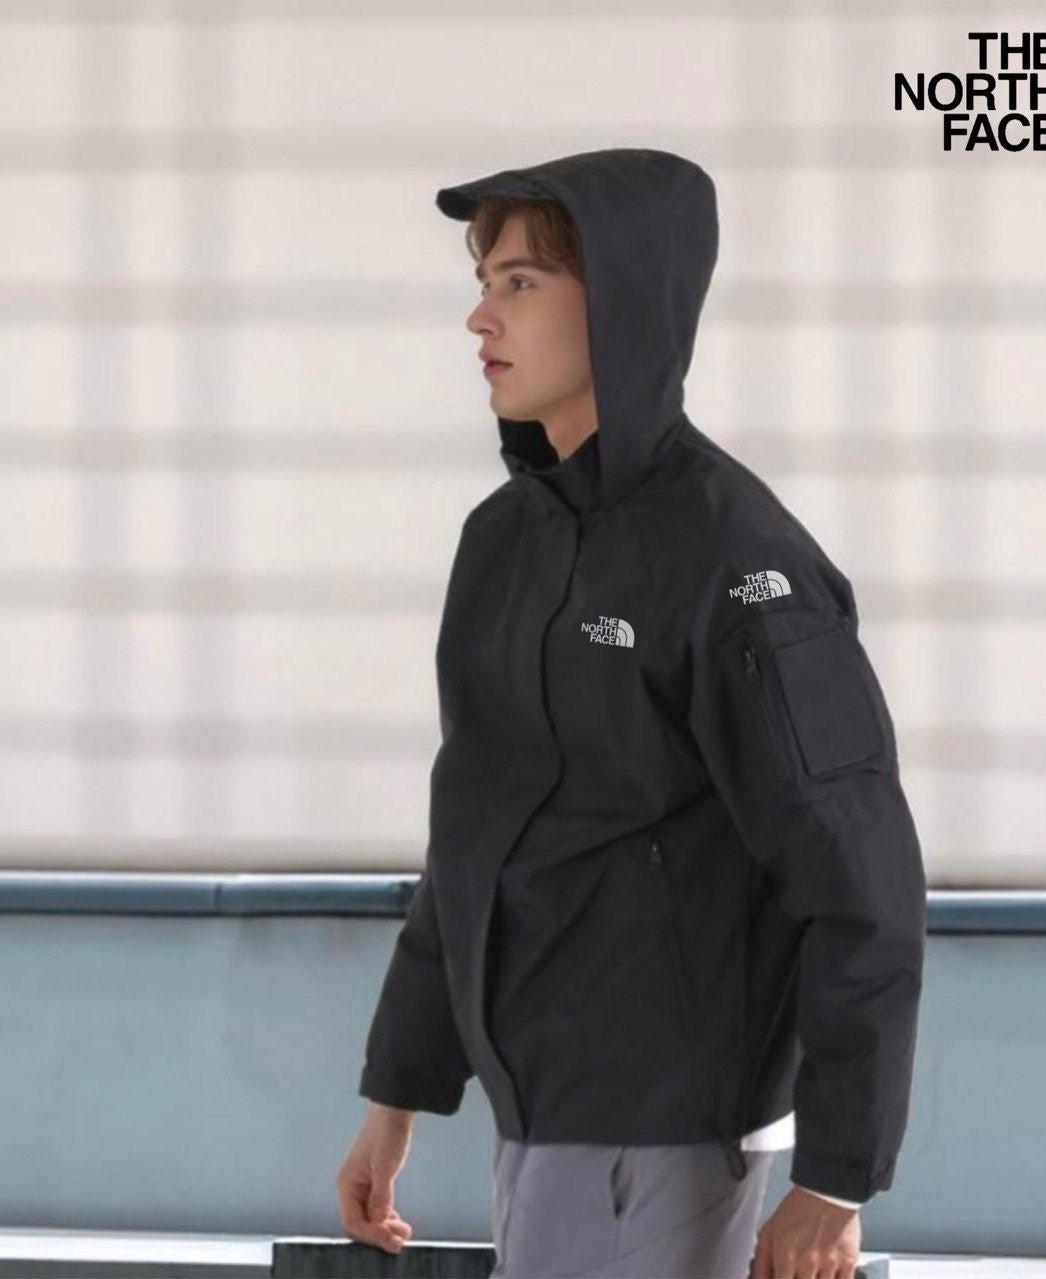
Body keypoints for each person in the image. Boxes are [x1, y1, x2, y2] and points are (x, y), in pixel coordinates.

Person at [336, 148, 927, 1279]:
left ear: (622, 302)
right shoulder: (503, 543)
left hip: (671, 1129)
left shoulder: (737, 558)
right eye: (485, 282)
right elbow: (472, 834)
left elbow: (860, 876)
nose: (480, 316)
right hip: (541, 1117)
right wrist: (398, 1089)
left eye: (520, 283)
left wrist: (837, 1176)